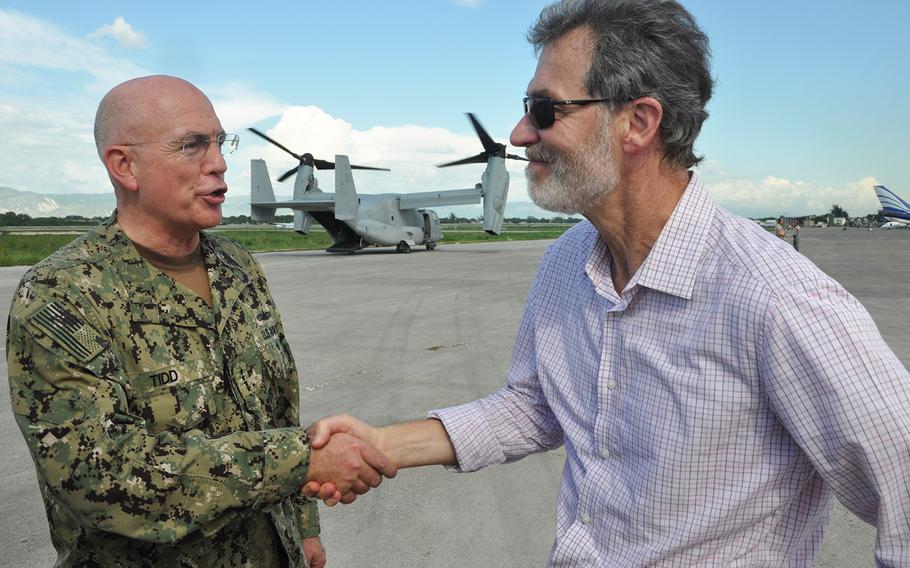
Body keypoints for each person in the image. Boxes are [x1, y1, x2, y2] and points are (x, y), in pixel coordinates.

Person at [305, 1, 910, 566]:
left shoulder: (777, 298)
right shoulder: (569, 261)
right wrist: (384, 441)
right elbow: (535, 406)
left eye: (545, 110)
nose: (518, 134)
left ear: (639, 123)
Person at [6, 75, 395, 568]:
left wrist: (303, 527)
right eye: (192, 145)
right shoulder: (64, 293)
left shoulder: (238, 267)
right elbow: (96, 473)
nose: (219, 163)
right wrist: (300, 462)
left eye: (219, 141)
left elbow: (278, 407)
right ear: (125, 165)